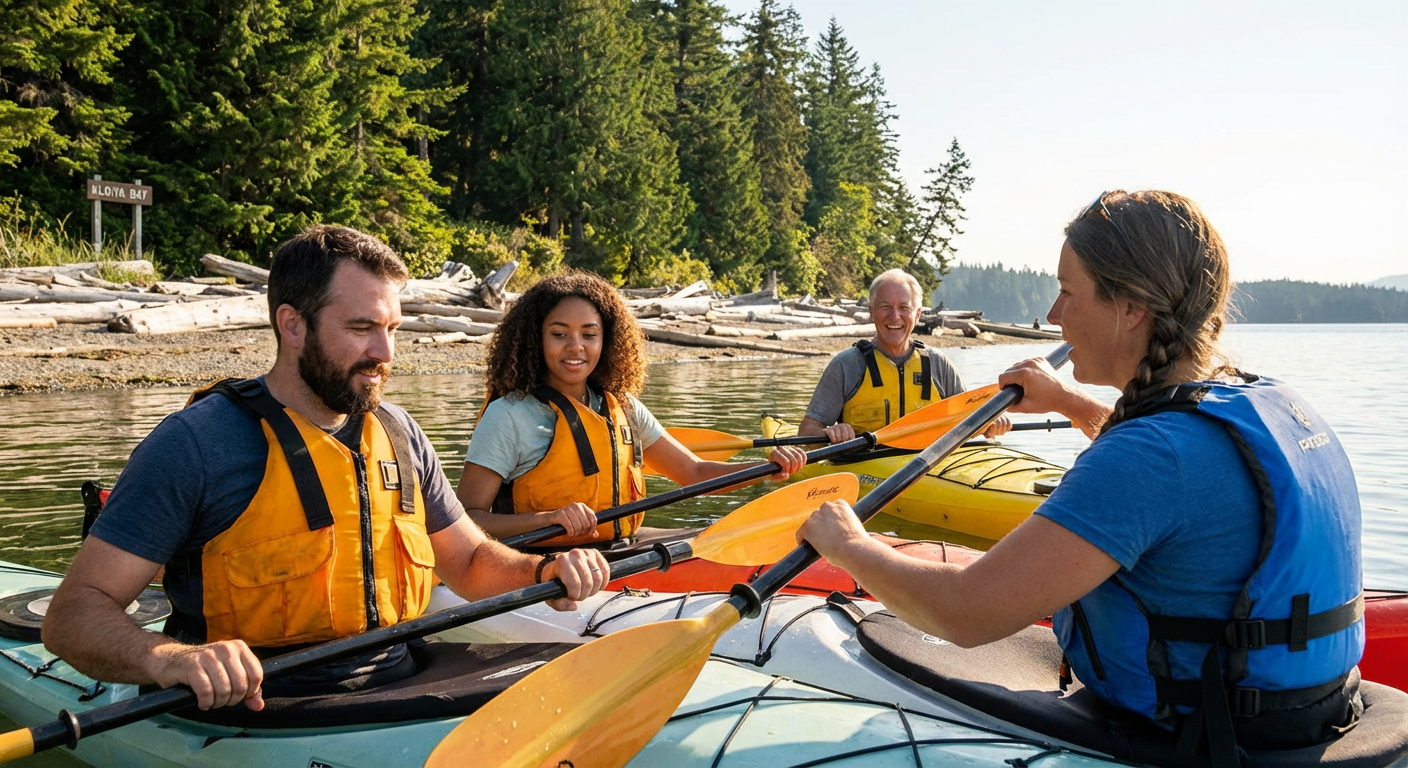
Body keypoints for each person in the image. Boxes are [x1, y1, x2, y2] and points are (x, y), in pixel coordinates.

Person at [797, 191, 1363, 763]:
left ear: (1130, 308)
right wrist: (1070, 402)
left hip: (1199, 740)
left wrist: (849, 545)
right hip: (1315, 718)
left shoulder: (1149, 456)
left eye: (1068, 291)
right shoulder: (1267, 401)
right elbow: (1166, 467)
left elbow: (962, 613)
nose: (1053, 315)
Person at [42, 226, 610, 713]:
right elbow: (70, 616)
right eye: (363, 328)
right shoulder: (196, 444)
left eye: (392, 328)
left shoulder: (399, 432)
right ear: (292, 325)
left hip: (399, 677)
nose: (386, 353)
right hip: (262, 705)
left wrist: (542, 574)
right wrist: (168, 658)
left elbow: (467, 560)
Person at [456, 271, 806, 547]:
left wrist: (764, 469)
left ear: (606, 341)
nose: (576, 347)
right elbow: (468, 519)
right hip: (543, 565)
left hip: (621, 549)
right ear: (536, 339)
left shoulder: (623, 407)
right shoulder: (508, 416)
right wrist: (545, 520)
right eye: (559, 334)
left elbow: (695, 473)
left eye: (589, 335)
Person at [798, 268, 1010, 443]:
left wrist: (989, 425)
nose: (895, 316)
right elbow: (807, 432)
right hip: (865, 467)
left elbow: (968, 422)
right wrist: (829, 433)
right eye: (885, 307)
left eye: (904, 308)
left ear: (917, 315)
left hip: (927, 467)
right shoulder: (846, 365)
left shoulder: (939, 364)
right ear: (871, 311)